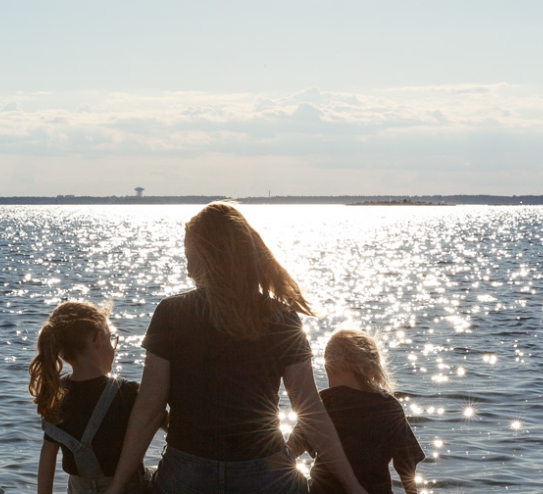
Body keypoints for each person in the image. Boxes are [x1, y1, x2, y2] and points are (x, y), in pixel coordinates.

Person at [104, 202, 369, 494]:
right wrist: (353, 485)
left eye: (190, 256)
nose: (188, 267)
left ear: (209, 257)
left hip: (188, 472)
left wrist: (117, 485)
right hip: (264, 473)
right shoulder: (281, 317)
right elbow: (310, 409)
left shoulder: (171, 313)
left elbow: (150, 408)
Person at [30, 301, 152, 494]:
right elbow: (169, 427)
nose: (113, 347)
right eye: (111, 339)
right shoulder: (126, 392)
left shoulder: (56, 392)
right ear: (97, 339)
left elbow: (48, 453)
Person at [288, 330, 425, 494]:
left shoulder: (324, 402)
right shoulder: (389, 407)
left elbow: (290, 451)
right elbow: (407, 464)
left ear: (333, 368)